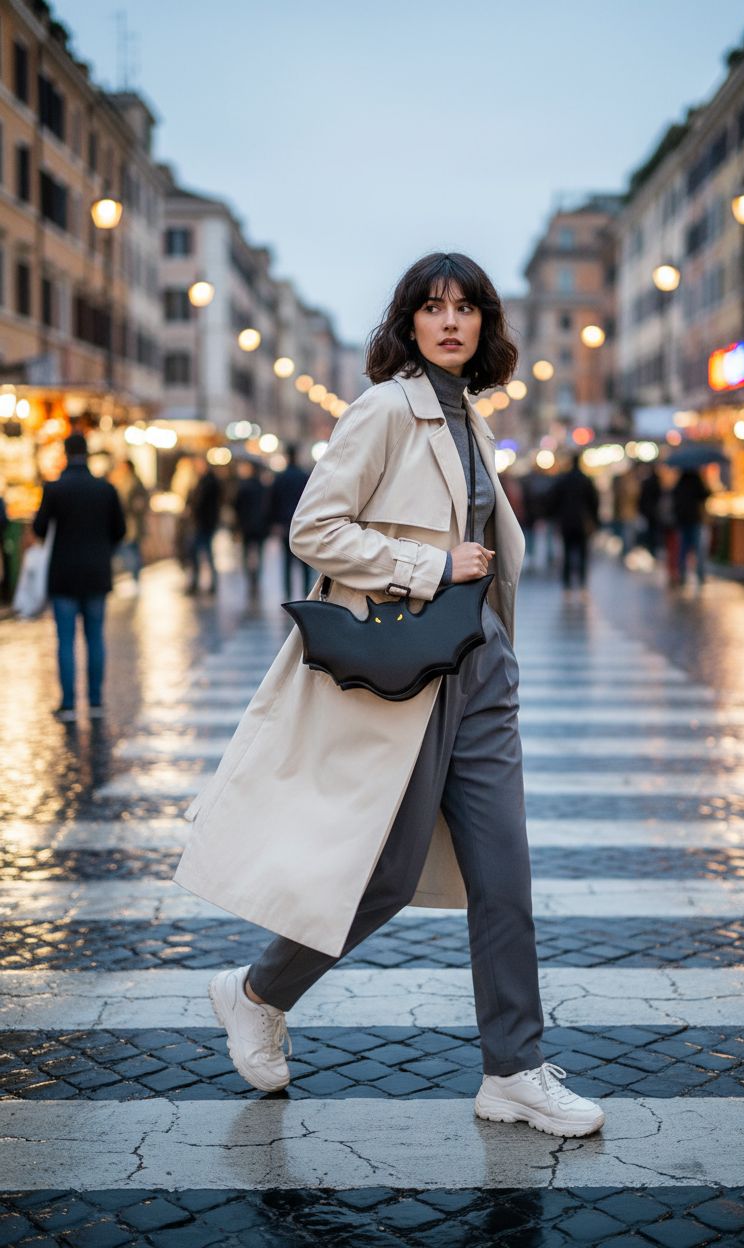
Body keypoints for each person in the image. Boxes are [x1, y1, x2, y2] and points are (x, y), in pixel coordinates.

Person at [175, 252, 604, 1140]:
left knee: (505, 877)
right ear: (408, 322)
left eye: (467, 309)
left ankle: (514, 1070)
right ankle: (258, 991)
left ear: (486, 324)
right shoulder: (385, 409)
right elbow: (315, 527)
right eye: (433, 308)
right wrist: (429, 564)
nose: (451, 322)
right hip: (411, 669)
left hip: (481, 666)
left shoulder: (470, 418)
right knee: (387, 871)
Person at [32, 432, 126, 721]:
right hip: (97, 572)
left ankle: (69, 704)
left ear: (65, 452)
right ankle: (96, 700)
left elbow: (39, 528)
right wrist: (102, 548)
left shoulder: (55, 488)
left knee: (65, 640)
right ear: (88, 453)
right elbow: (120, 530)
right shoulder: (105, 489)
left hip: (64, 573)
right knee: (95, 637)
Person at [546, 454, 599, 591]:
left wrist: (554, 517)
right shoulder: (586, 480)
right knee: (582, 553)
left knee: (567, 553)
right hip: (582, 522)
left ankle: (567, 584)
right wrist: (595, 521)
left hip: (566, 522)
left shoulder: (563, 480)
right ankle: (582, 584)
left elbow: (553, 500)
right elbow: (594, 502)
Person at [270, 445, 312, 600]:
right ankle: (306, 592)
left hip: (284, 524)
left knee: (287, 562)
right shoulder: (304, 476)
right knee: (304, 561)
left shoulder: (280, 477)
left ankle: (287, 594)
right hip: (302, 523)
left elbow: (273, 500)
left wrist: (274, 522)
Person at [185, 457, 221, 595]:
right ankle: (204, 582)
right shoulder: (205, 481)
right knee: (202, 552)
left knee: (200, 552)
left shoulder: (208, 482)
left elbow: (200, 502)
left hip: (204, 523)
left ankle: (201, 582)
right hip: (204, 522)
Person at [233, 460, 269, 598]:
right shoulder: (263, 487)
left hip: (246, 526)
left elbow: (237, 506)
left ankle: (250, 578)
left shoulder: (244, 487)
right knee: (259, 554)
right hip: (260, 526)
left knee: (246, 554)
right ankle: (256, 578)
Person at [672, 468, 710, 586]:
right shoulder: (696, 481)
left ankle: (682, 572)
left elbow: (675, 498)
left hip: (682, 520)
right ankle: (700, 573)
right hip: (694, 519)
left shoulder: (679, 483)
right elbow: (705, 494)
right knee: (698, 548)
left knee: (684, 547)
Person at [113, 459, 149, 584]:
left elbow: (138, 501)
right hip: (128, 522)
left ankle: (135, 577)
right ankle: (134, 576)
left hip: (132, 523)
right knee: (130, 549)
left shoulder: (133, 482)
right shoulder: (123, 481)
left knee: (131, 549)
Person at [638, 465, 662, 558]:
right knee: (654, 532)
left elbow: (642, 498)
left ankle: (650, 548)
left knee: (650, 531)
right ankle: (653, 549)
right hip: (655, 511)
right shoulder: (658, 482)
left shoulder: (646, 482)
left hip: (648, 511)